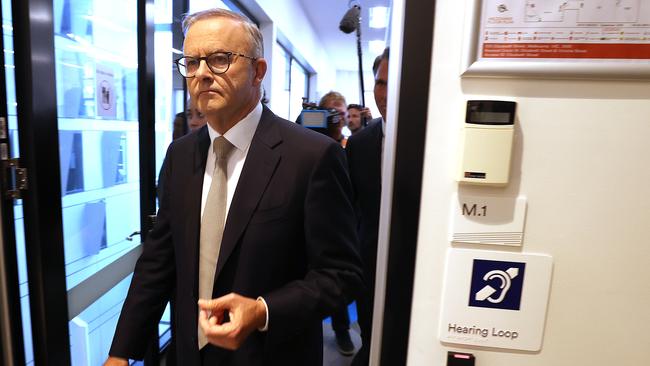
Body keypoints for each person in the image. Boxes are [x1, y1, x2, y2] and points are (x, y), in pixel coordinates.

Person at [105, 8, 362, 366]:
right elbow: (159, 260)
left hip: (270, 354)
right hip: (189, 354)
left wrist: (262, 311)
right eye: (192, 63)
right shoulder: (180, 155)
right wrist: (121, 352)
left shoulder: (312, 156)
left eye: (220, 59)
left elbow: (341, 275)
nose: (202, 75)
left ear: (258, 71)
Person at [346, 47, 389, 366]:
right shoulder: (359, 144)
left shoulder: (438, 138)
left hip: (419, 266)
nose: (385, 93)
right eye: (380, 82)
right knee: (371, 340)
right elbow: (351, 207)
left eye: (394, 82)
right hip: (368, 263)